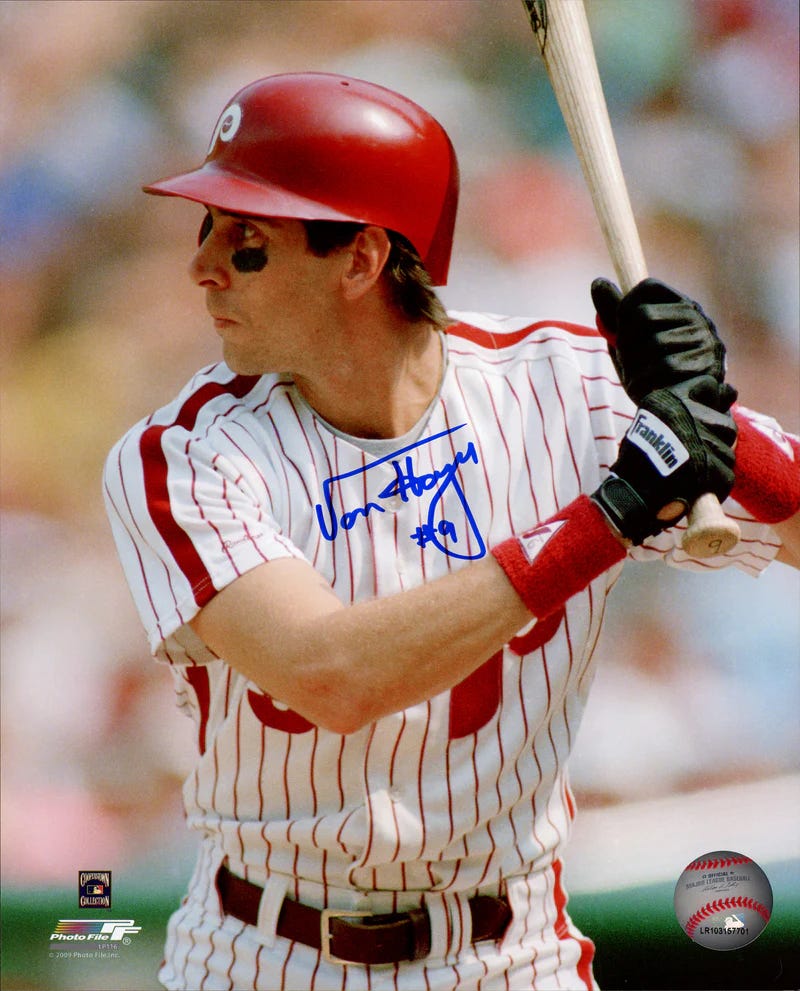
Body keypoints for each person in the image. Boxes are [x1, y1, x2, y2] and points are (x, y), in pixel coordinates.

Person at [103, 73, 799, 991]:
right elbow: (333, 675)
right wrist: (612, 514)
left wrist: (712, 421)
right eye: (208, 229)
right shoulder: (182, 453)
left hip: (512, 952)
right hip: (264, 949)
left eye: (247, 242)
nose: (203, 267)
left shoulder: (570, 384)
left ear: (361, 259)